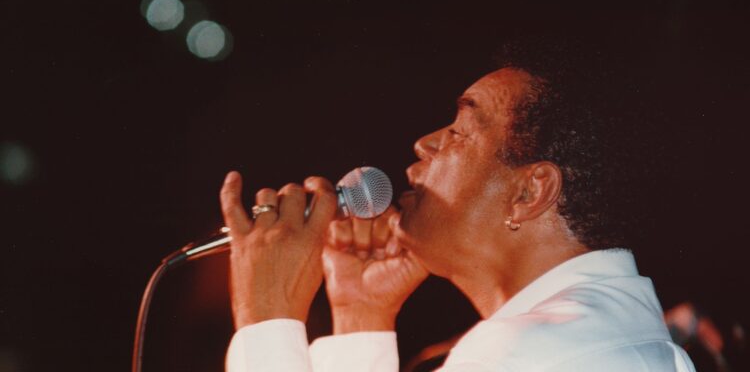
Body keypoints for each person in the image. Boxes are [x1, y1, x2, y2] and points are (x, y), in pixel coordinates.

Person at [219, 51, 697, 371]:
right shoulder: (605, 337)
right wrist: (360, 319)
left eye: (459, 130)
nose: (423, 144)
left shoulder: (523, 353)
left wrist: (266, 316)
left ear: (530, 192)